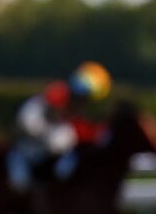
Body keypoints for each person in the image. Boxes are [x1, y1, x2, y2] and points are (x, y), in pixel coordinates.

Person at [7, 62, 112, 203]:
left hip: (51, 154)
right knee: (21, 182)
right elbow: (30, 122)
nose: (81, 103)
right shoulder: (52, 98)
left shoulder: (78, 115)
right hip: (27, 151)